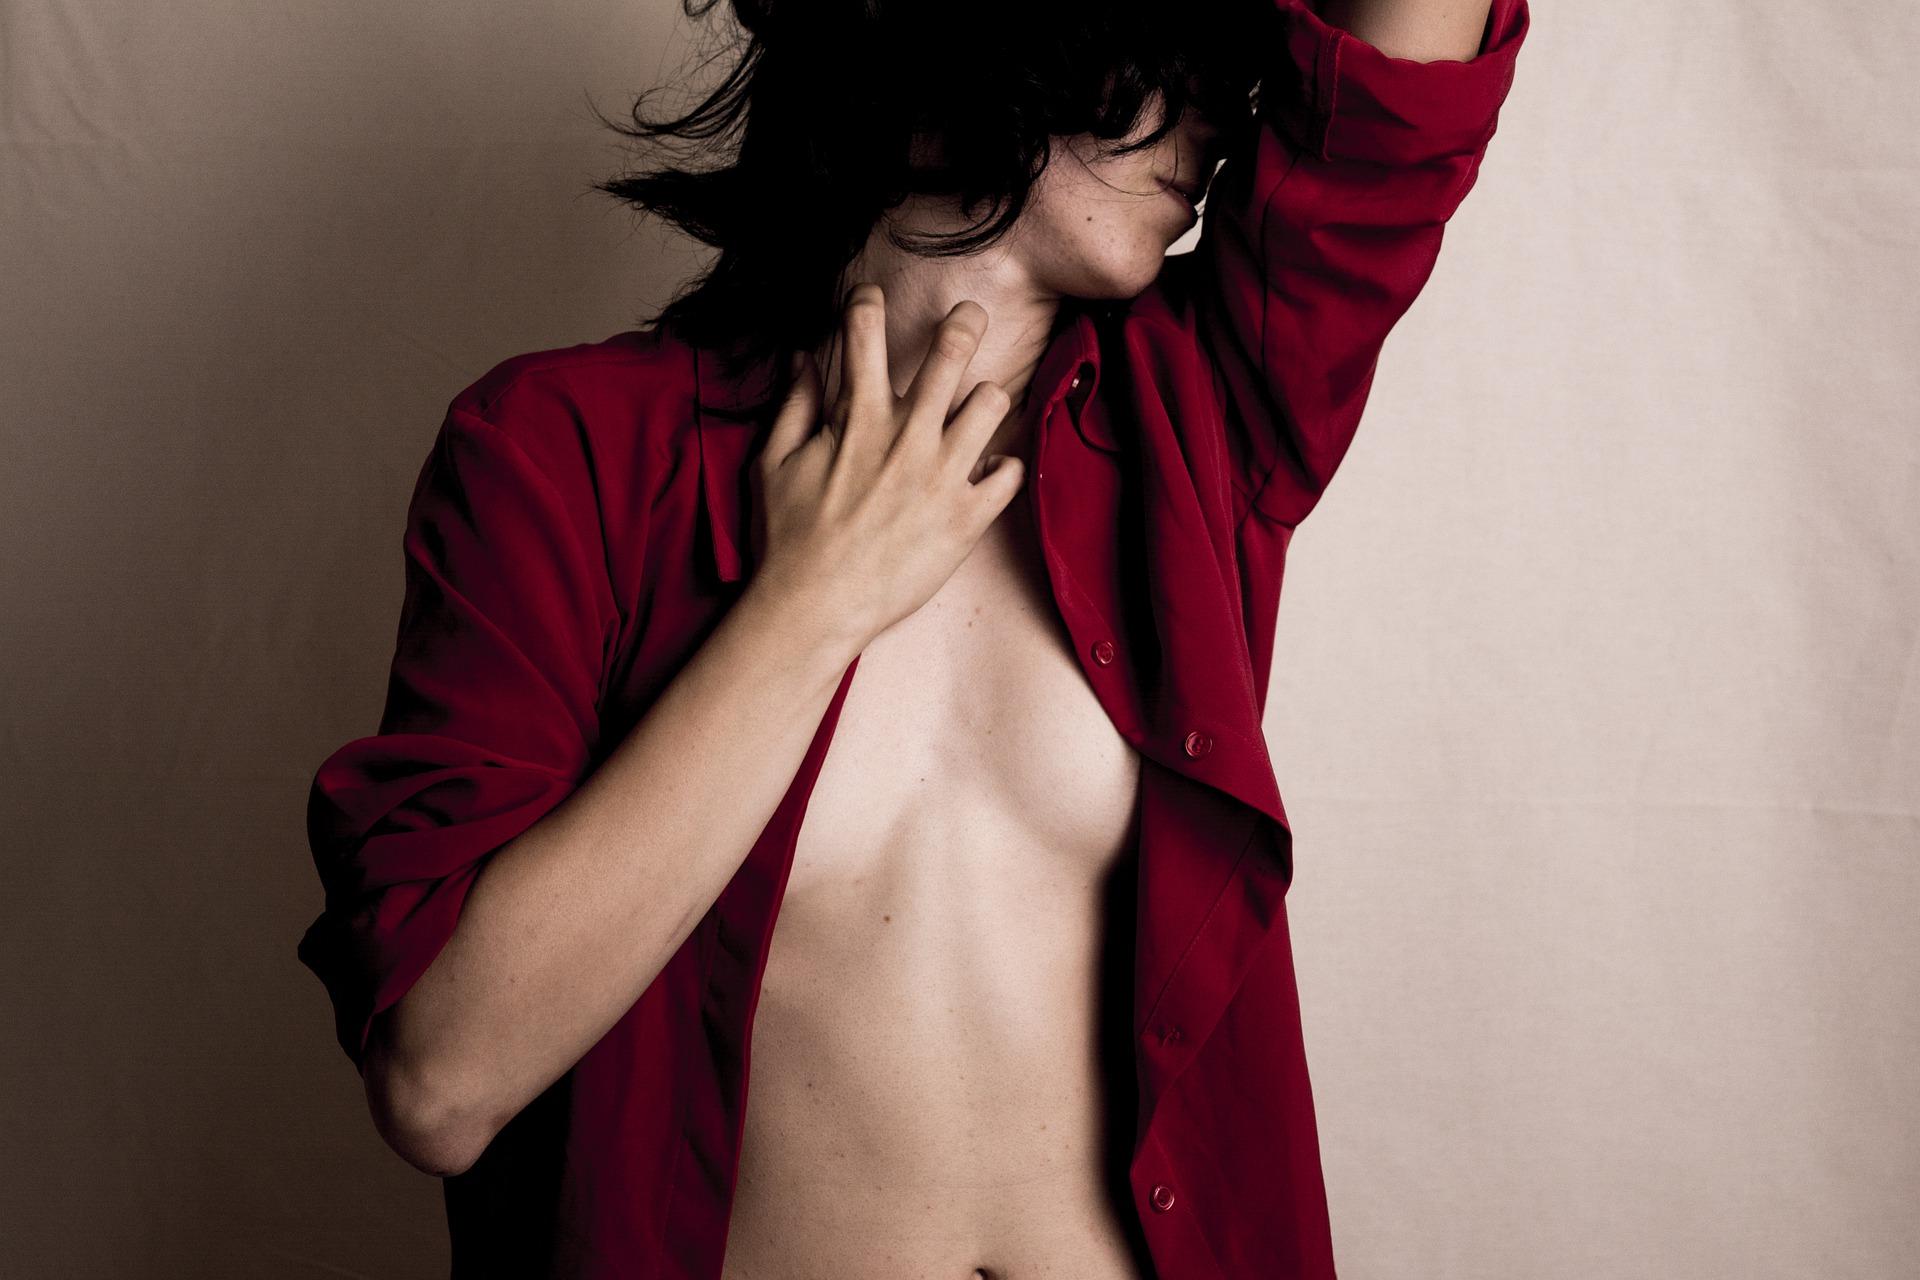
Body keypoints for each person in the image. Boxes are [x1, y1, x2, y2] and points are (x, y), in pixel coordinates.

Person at [295, 0, 1530, 1275]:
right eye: (1163, 56)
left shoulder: (1198, 410)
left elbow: (1394, 91)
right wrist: (813, 602)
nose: (1218, 114)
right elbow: (442, 1081)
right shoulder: (565, 453)